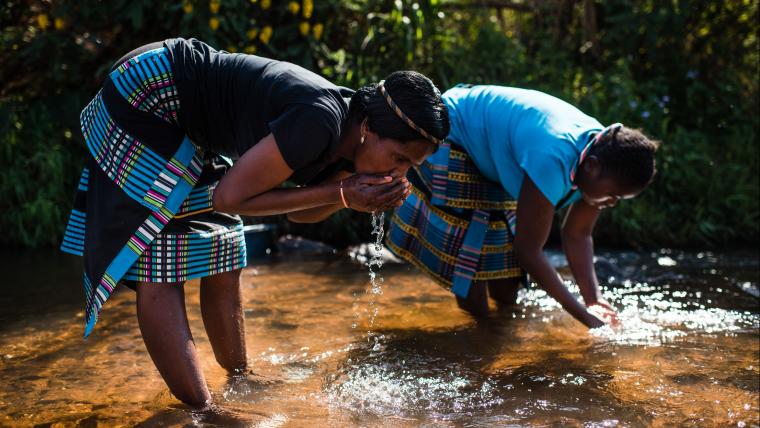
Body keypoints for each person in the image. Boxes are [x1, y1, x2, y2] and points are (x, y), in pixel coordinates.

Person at [60, 37, 449, 409]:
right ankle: (203, 411)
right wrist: (341, 192)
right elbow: (230, 198)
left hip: (186, 119)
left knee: (226, 243)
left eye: (410, 167)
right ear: (368, 129)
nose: (400, 174)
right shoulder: (319, 119)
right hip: (148, 91)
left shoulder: (353, 145)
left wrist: (348, 198)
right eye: (398, 158)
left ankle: (240, 378)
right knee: (161, 257)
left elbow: (299, 213)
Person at [387, 84, 659, 327]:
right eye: (612, 195)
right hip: (456, 130)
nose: (611, 203)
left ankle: (495, 329)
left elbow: (578, 234)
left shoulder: (602, 156)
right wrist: (583, 317)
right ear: (592, 166)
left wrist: (594, 301)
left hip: (497, 152)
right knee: (469, 260)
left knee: (507, 291)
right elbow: (528, 252)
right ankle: (476, 334)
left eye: (618, 199)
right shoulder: (554, 158)